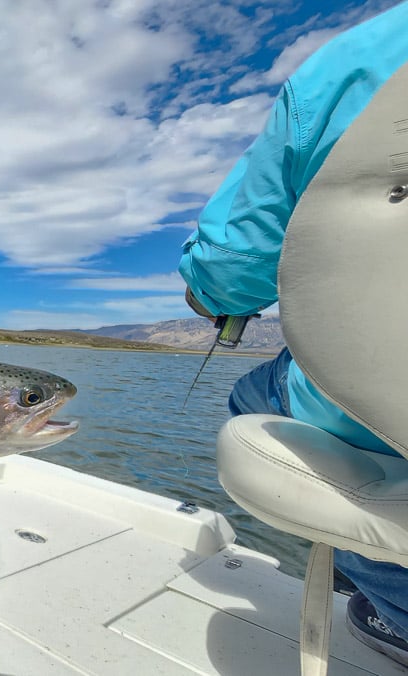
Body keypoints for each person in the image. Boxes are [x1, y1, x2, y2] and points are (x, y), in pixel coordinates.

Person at [179, 2, 408, 667]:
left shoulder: (356, 62)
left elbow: (230, 274)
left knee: (255, 397)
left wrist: (207, 294)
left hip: (383, 427)